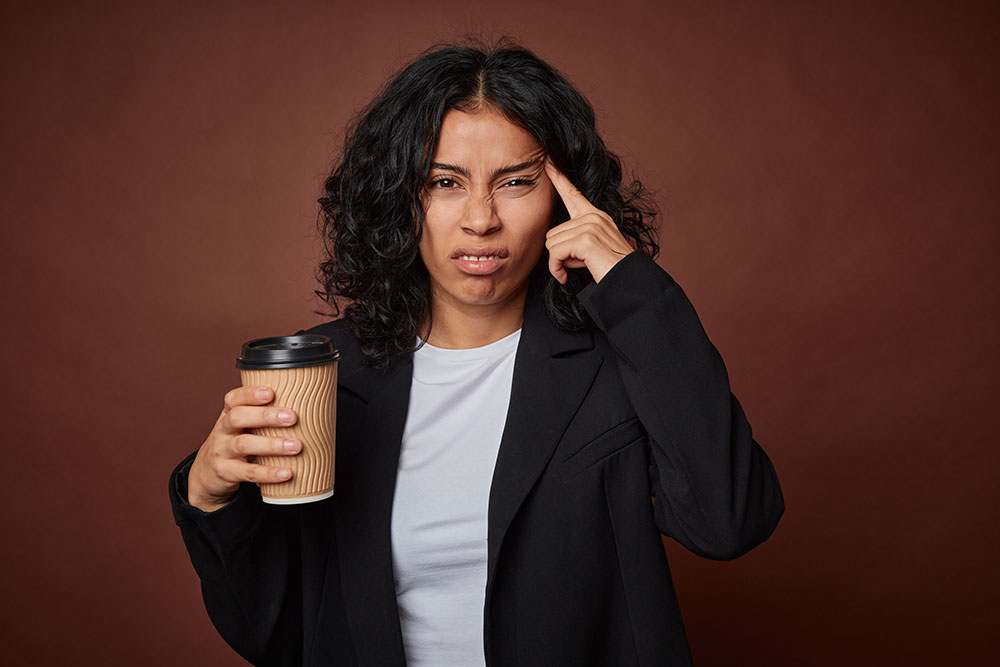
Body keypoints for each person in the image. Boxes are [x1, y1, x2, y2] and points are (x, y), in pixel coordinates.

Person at [170, 40, 784, 667]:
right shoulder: (331, 373)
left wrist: (631, 288)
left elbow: (729, 521)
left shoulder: (621, 362)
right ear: (398, 195)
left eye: (516, 182)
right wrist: (208, 497)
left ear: (564, 198)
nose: (481, 219)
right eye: (444, 182)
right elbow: (277, 635)